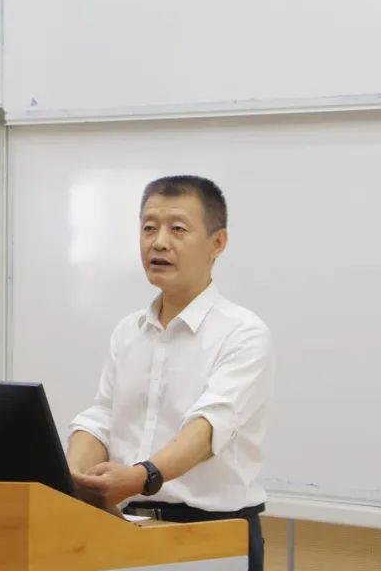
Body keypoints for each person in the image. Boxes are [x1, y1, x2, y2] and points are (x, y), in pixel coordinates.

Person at [67, 175, 274, 571]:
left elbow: (209, 427)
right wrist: (73, 478)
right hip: (124, 528)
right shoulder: (128, 331)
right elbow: (104, 417)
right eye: (149, 228)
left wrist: (141, 476)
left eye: (177, 229)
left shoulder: (244, 333)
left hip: (213, 536)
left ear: (217, 243)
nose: (159, 242)